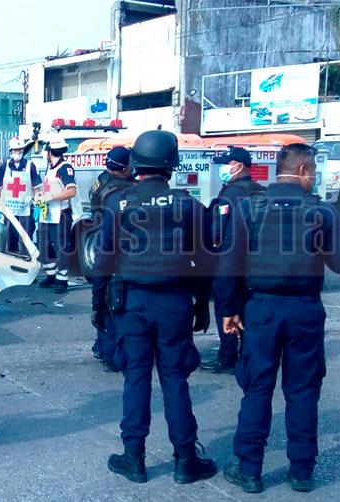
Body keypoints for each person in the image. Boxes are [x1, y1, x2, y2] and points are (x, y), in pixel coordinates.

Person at [220, 144, 340, 494]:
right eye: (313, 173)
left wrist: (229, 310)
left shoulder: (248, 207)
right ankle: (302, 471)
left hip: (260, 311)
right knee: (303, 391)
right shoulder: (322, 211)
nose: (314, 178)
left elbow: (228, 265)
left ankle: (249, 470)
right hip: (304, 312)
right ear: (302, 171)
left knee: (257, 388)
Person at [91, 130, 216, 485]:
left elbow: (103, 260)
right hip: (175, 302)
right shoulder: (189, 205)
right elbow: (205, 260)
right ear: (171, 164)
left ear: (136, 164)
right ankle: (185, 460)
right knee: (175, 380)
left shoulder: (118, 203)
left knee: (136, 378)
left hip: (132, 304)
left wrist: (98, 305)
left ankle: (134, 458)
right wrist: (202, 304)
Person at [199, 146, 265, 374]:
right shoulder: (260, 191)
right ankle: (248, 354)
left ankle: (227, 356)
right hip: (256, 263)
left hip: (230, 261)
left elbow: (217, 234)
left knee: (225, 306)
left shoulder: (230, 195)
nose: (222, 168)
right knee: (249, 310)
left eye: (226, 164)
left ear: (239, 166)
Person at [88, 146, 134, 372]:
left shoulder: (101, 181)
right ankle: (112, 354)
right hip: (115, 247)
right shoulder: (122, 191)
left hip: (101, 239)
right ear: (123, 168)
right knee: (114, 300)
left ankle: (101, 346)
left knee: (104, 297)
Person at [36, 133, 77, 294]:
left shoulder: (64, 168)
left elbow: (71, 191)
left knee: (61, 248)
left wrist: (50, 197)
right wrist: (40, 196)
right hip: (47, 214)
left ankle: (62, 279)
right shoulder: (51, 168)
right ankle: (51, 274)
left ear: (49, 152)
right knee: (43, 245)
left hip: (60, 215)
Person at [0, 137, 42, 254]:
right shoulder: (4, 166)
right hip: (9, 212)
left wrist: (38, 205)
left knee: (26, 242)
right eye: (15, 150)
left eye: (20, 150)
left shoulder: (30, 166)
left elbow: (37, 188)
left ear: (23, 150)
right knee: (10, 242)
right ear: (10, 151)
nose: (17, 152)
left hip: (26, 212)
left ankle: (27, 262)